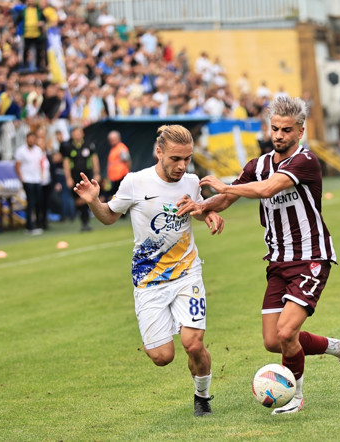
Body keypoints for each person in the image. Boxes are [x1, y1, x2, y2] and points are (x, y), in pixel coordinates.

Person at [185, 96, 340, 415]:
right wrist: (202, 209)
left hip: (311, 258)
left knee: (286, 332)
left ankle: (294, 396)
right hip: (277, 262)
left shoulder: (305, 162)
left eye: (286, 130)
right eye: (275, 129)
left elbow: (267, 190)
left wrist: (224, 187)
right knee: (273, 340)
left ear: (300, 132)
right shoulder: (258, 165)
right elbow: (225, 201)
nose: (279, 135)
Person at [72, 125, 225, 417]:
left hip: (186, 273)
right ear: (159, 152)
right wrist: (94, 201)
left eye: (187, 159)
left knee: (193, 344)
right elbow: (108, 216)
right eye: (175, 159)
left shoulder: (192, 181)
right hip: (149, 280)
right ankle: (161, 330)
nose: (181, 166)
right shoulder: (134, 183)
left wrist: (210, 213)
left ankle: (202, 397)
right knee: (162, 356)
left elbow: (198, 206)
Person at [62, 127, 100, 231]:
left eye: (78, 133)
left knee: (86, 199)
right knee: (77, 200)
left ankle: (85, 221)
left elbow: (94, 159)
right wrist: (68, 178)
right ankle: (82, 218)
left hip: (86, 177)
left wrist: (97, 173)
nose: (77, 135)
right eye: (75, 133)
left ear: (82, 134)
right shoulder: (68, 147)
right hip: (74, 178)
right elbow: (66, 163)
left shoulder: (88, 145)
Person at [15, 131, 47, 235]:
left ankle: (38, 223)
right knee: (30, 203)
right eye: (30, 138)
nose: (31, 140)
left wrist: (41, 175)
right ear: (26, 139)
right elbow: (17, 166)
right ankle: (29, 226)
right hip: (27, 179)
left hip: (37, 179)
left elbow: (40, 163)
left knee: (38, 202)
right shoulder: (21, 151)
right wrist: (22, 179)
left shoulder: (38, 150)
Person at [106, 130, 131, 199]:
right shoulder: (113, 149)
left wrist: (126, 174)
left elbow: (128, 161)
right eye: (111, 139)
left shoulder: (121, 148)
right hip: (114, 178)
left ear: (118, 138)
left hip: (121, 177)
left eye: (114, 139)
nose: (112, 141)